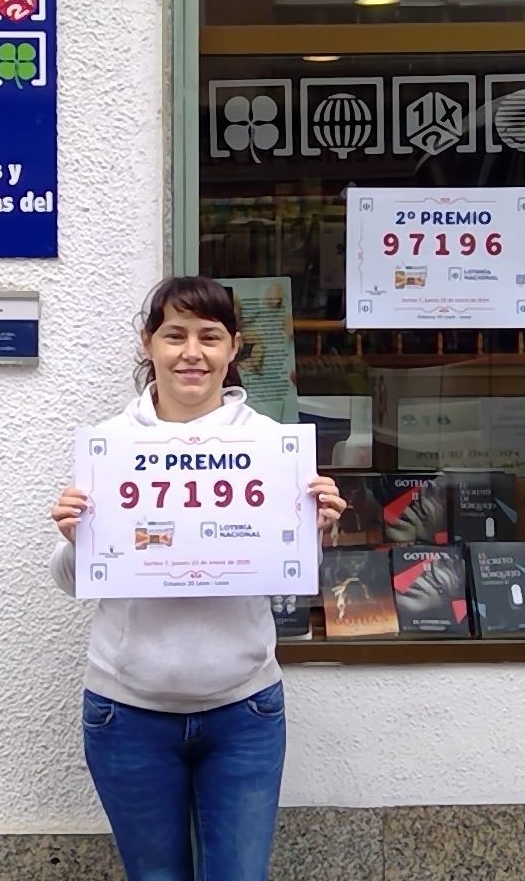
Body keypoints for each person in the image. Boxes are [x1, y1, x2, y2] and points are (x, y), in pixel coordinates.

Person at [48, 276, 344, 881]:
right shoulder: (111, 446)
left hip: (244, 711)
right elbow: (75, 579)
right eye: (174, 335)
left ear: (232, 349)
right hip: (126, 713)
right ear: (147, 343)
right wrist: (76, 537)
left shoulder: (271, 445)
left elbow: (289, 574)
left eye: (209, 337)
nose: (192, 352)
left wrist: (320, 529)